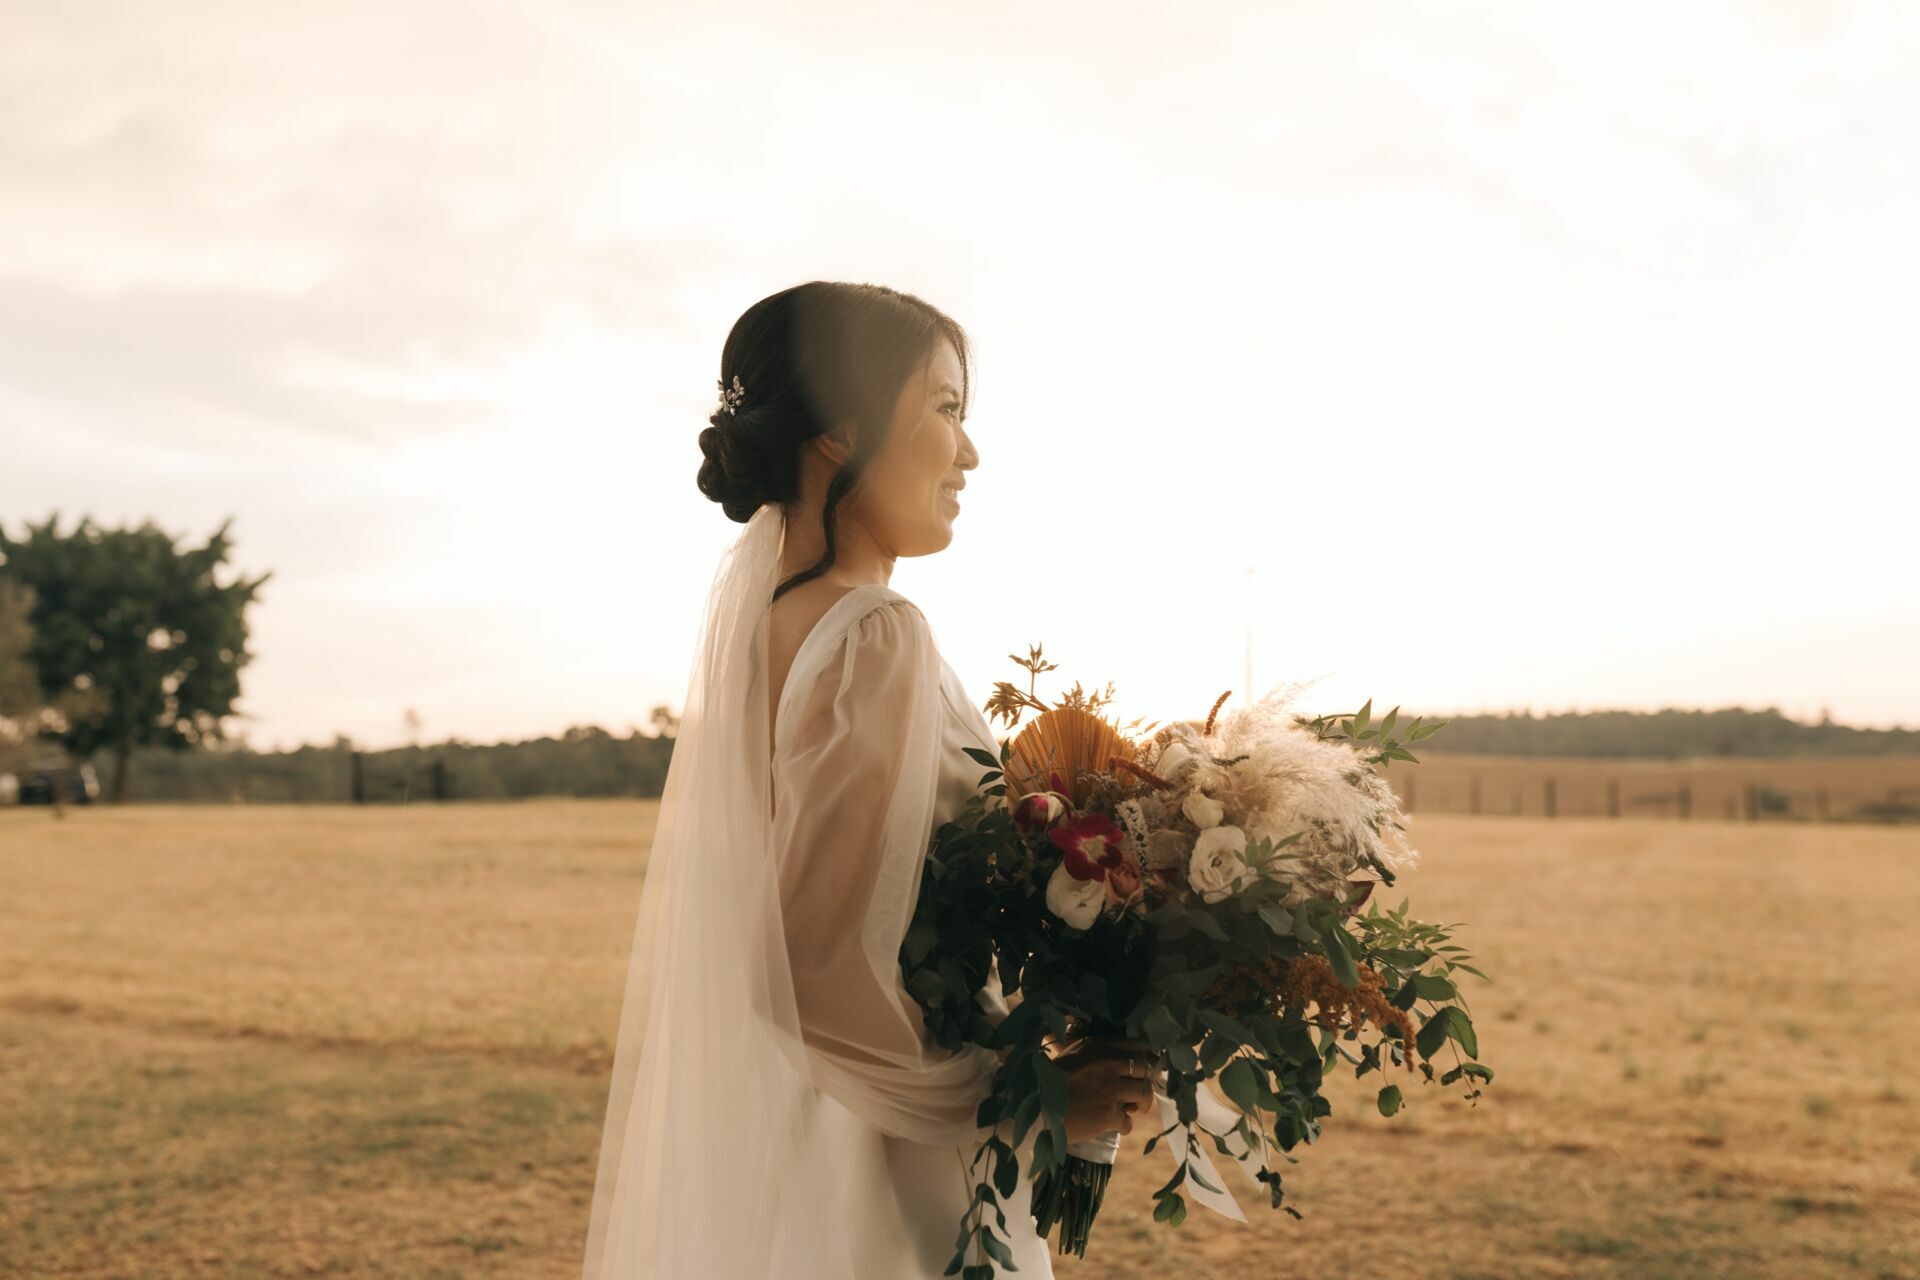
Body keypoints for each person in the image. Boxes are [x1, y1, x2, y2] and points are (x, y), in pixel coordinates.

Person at [580, 281, 1154, 1278]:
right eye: (945, 408)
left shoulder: (772, 627)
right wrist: (1026, 1097)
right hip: (890, 1178)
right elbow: (809, 967)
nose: (968, 452)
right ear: (840, 431)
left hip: (802, 1136)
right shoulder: (875, 634)